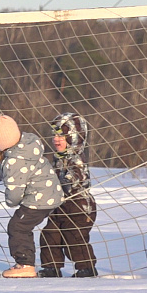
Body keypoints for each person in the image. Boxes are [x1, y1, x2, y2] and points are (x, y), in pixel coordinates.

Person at [0, 115, 64, 278]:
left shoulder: (14, 161)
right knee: (24, 226)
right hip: (52, 193)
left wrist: (12, 202)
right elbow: (2, 169)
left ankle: (25, 265)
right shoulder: (26, 146)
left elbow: (14, 190)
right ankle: (30, 263)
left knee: (18, 227)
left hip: (38, 199)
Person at [39, 112, 98, 278]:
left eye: (62, 136)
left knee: (74, 236)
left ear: (73, 137)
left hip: (79, 206)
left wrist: (67, 181)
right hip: (59, 206)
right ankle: (51, 267)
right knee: (50, 234)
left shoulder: (76, 157)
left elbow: (78, 175)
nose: (56, 140)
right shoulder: (58, 158)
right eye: (55, 136)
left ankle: (86, 268)